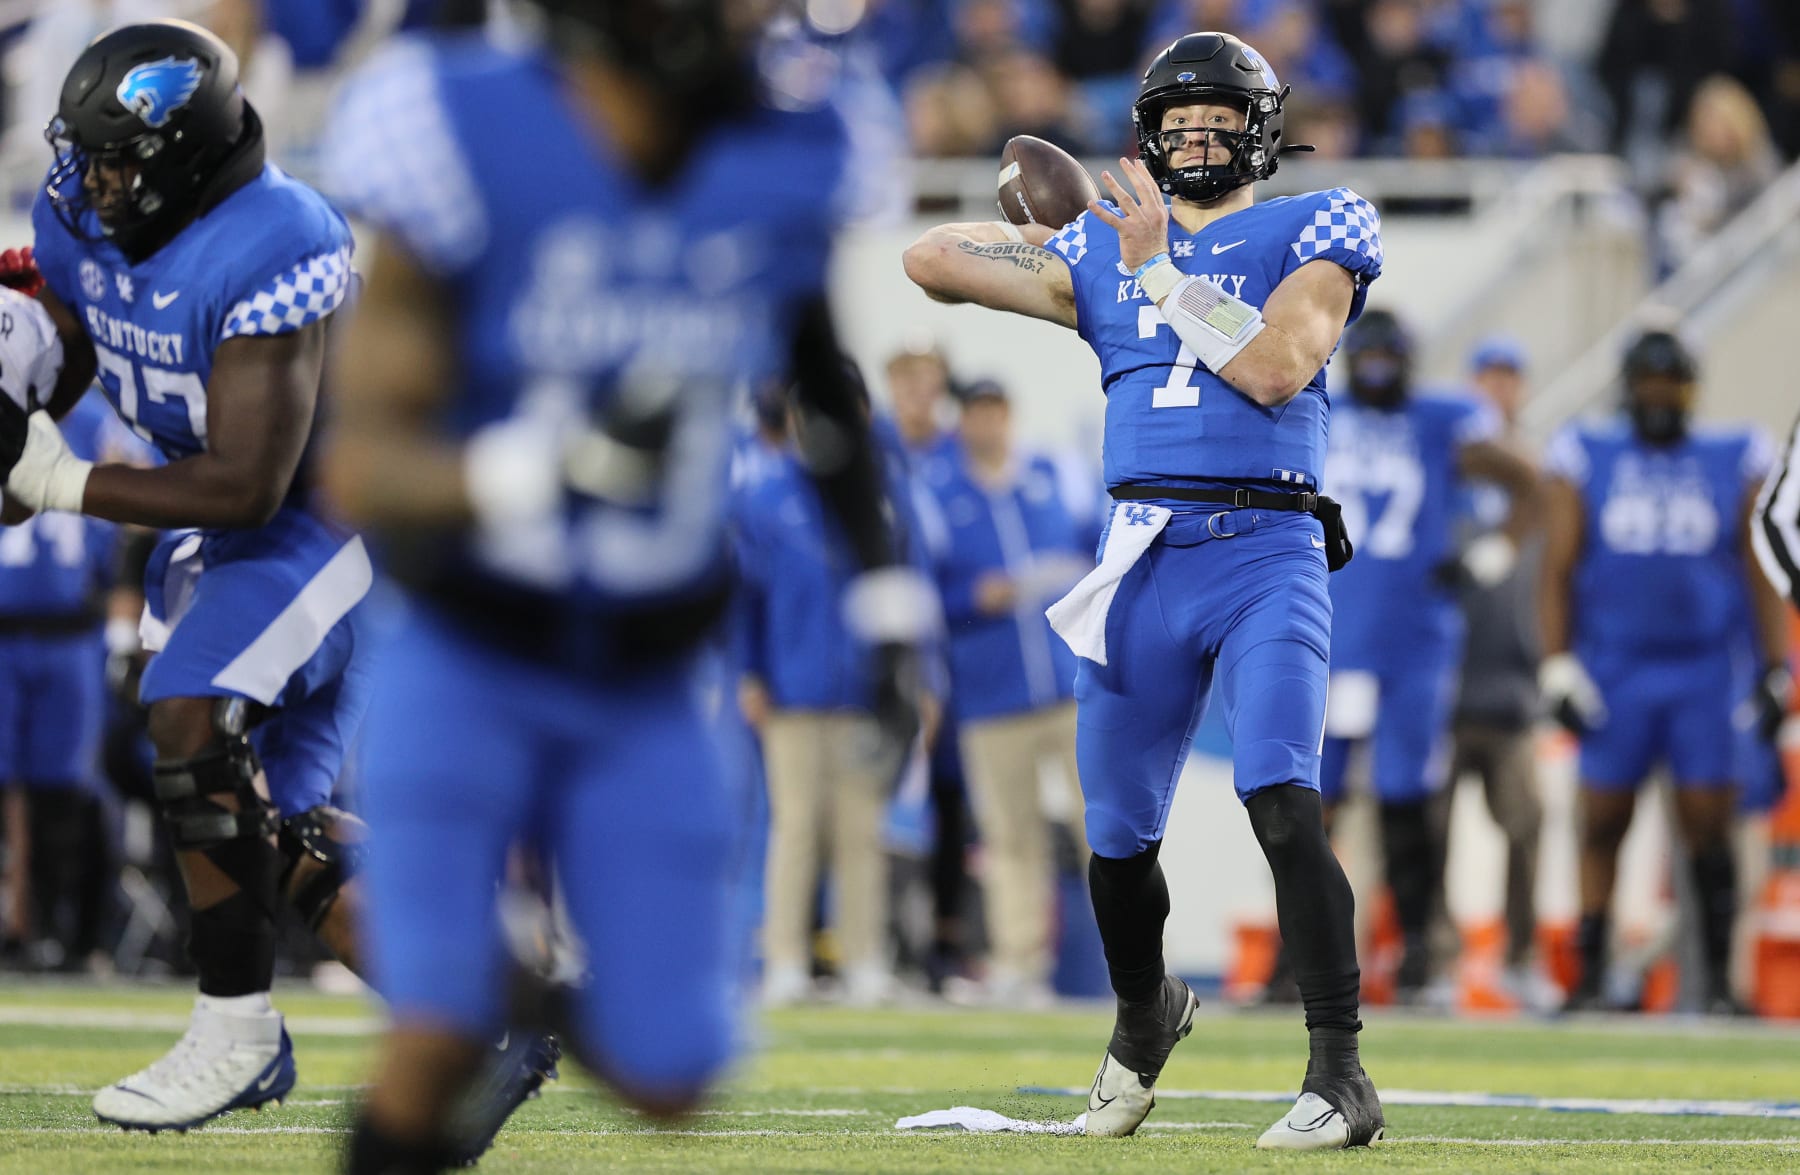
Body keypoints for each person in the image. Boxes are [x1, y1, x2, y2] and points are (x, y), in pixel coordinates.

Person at [316, 3, 929, 1170]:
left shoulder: (787, 150)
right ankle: (469, 984)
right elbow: (364, 465)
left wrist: (889, 609)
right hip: (473, 650)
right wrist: (539, 469)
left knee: (670, 1074)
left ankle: (515, 982)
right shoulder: (459, 120)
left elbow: (825, 390)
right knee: (434, 1029)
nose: (754, 21)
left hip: (651, 677)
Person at [905, 29, 1385, 1150]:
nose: (1199, 137)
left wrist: (1159, 271)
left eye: (1220, 119)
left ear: (1261, 132)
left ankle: (1341, 1070)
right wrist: (1072, 238)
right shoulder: (1108, 245)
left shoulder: (1319, 220)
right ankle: (1142, 1016)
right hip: (1141, 554)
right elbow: (931, 257)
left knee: (1281, 795)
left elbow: (1277, 366)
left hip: (1265, 545)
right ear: (1147, 138)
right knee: (1117, 839)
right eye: (1180, 121)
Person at [0, 20, 436, 1135]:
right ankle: (482, 998)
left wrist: (60, 479)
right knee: (260, 827)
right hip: (225, 534)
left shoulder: (279, 235)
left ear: (180, 157)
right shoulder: (82, 216)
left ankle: (235, 1032)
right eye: (84, 157)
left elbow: (248, 482)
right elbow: (79, 334)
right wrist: (24, 384)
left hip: (323, 518)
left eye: (115, 163)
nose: (89, 184)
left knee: (187, 711)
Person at [1539, 329, 1788, 1013]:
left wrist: (1775, 666)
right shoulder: (1587, 452)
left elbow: (1760, 566)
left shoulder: (1733, 454)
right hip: (1615, 664)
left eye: (1670, 385)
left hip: (1703, 668)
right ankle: (1589, 976)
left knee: (1709, 822)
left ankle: (1718, 984)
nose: (1658, 397)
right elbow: (1557, 568)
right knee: (1602, 819)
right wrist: (1557, 663)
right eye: (1648, 384)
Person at [1318, 310, 1537, 1004]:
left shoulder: (1442, 418)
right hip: (1331, 635)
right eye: (1370, 356)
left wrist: (1494, 551)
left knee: (1405, 800)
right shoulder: (1319, 407)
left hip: (1412, 642)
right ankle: (1300, 961)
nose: (1379, 369)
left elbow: (1530, 479)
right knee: (1306, 803)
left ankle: (1417, 956)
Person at [924, 377, 1092, 1007]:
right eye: (976, 413)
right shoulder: (939, 495)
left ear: (1009, 416)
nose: (987, 424)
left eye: (996, 412)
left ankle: (1142, 956)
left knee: (1107, 827)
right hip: (991, 697)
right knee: (1011, 837)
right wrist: (973, 597)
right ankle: (1021, 963)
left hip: (1070, 684)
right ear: (962, 421)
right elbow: (926, 593)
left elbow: (1101, 551)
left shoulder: (1053, 476)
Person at [1445, 336, 1556, 1008]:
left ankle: (1521, 956)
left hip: (1511, 681)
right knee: (1425, 827)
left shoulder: (1539, 474)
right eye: (1488, 376)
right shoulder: (1447, 461)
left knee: (1526, 823)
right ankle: (1432, 958)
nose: (1498, 389)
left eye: (1509, 377)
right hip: (1443, 678)